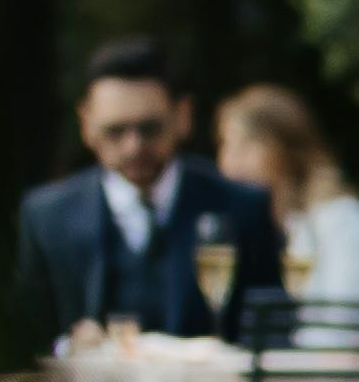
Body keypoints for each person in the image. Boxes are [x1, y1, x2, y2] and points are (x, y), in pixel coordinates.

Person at [17, 38, 288, 343]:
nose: (134, 147)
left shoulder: (243, 208)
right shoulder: (46, 217)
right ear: (87, 124)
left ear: (183, 117)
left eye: (150, 128)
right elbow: (26, 348)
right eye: (115, 131)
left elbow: (274, 337)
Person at [218, 84, 359, 324]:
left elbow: (347, 322)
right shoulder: (241, 228)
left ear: (285, 148)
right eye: (225, 145)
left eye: (247, 145)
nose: (231, 160)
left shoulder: (341, 216)